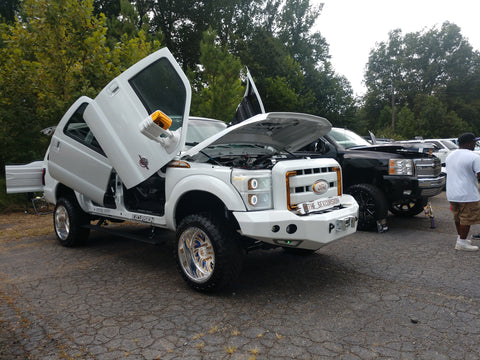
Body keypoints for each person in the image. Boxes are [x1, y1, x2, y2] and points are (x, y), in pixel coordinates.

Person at [445, 132, 480, 251]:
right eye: (474, 142)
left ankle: (461, 238)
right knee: (466, 218)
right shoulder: (474, 157)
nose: (475, 144)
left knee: (458, 217)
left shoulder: (450, 155)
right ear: (469, 143)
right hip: (467, 193)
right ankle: (462, 243)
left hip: (452, 192)